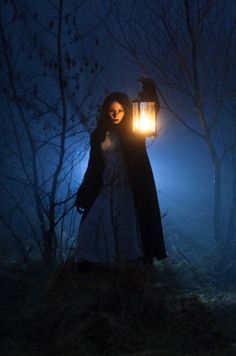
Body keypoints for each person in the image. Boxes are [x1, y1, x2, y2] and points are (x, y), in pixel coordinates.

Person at [75, 92, 167, 269]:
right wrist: (84, 192)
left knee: (126, 221)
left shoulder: (134, 133)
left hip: (128, 185)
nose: (116, 114)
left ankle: (125, 262)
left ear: (127, 112)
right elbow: (93, 165)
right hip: (104, 184)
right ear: (105, 112)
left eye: (120, 110)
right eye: (112, 110)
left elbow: (151, 111)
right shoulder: (98, 135)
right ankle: (94, 260)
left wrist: (149, 88)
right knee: (94, 219)